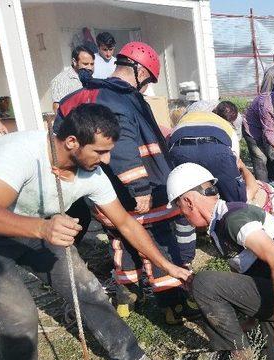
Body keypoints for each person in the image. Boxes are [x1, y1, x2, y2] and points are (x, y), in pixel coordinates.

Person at [0, 104, 187, 360]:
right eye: (100, 151)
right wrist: (43, 228)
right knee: (19, 315)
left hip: (38, 226)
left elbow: (127, 224)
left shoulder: (92, 175)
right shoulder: (19, 153)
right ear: (72, 142)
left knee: (88, 289)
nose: (107, 160)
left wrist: (165, 265)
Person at [55, 42, 200, 325]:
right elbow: (121, 147)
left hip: (100, 191)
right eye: (147, 82)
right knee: (159, 241)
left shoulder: (79, 96)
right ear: (140, 71)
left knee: (120, 243)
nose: (145, 89)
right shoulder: (117, 99)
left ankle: (128, 297)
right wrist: (140, 187)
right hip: (138, 191)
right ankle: (173, 306)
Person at [165, 163, 274, 360]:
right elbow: (248, 275)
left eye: (180, 209)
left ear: (188, 202)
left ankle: (237, 356)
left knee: (203, 283)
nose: (183, 216)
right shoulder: (219, 225)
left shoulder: (234, 220)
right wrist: (250, 320)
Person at [50, 45, 95, 113]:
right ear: (74, 62)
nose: (89, 68)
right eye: (85, 64)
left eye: (92, 64)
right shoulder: (61, 80)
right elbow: (58, 108)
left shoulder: (89, 77)